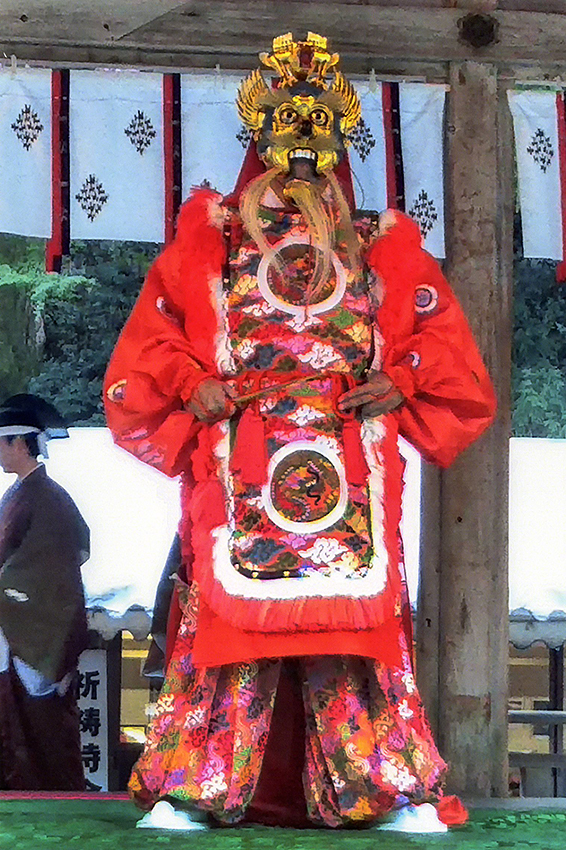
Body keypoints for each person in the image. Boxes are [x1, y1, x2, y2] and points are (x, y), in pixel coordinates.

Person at [104, 32, 496, 831]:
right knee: (230, 628)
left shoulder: (380, 244)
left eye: (321, 125)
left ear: (343, 139)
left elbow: (445, 346)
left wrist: (403, 377)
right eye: (288, 123)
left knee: (353, 631)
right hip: (243, 463)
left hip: (350, 467)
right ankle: (196, 787)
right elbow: (153, 340)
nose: (305, 143)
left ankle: (384, 787)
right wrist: (192, 383)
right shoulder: (214, 239)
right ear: (260, 134)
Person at [0, 394, 89, 790]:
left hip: (36, 625)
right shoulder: (21, 494)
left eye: (1, 443)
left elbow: (60, 562)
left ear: (19, 444)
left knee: (41, 723)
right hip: (16, 622)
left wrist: (8, 589)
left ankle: (48, 790)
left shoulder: (48, 498)